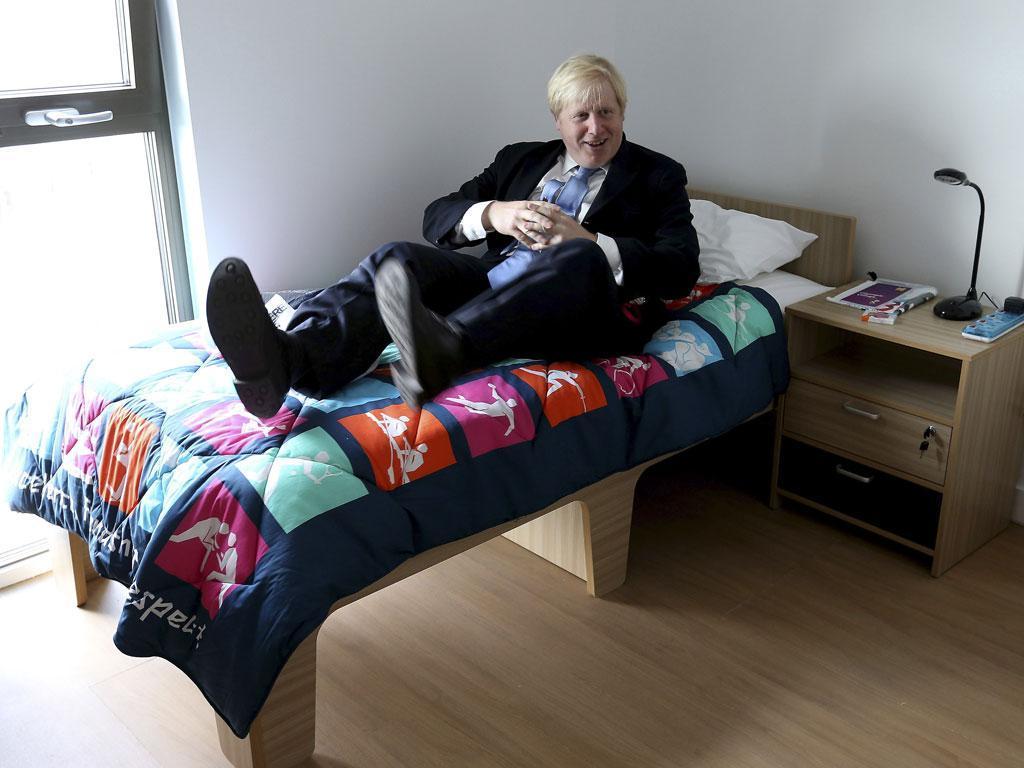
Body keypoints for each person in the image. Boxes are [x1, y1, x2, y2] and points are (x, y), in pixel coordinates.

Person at [206, 54, 700, 417]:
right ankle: (290, 360)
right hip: (494, 287)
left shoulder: (658, 175)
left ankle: (447, 351)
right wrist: (493, 215)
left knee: (580, 260)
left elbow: (681, 266)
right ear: (558, 120)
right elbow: (437, 217)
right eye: (582, 115)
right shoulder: (520, 159)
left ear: (623, 112)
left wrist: (590, 241)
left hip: (584, 308)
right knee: (397, 258)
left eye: (607, 113)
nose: (596, 128)